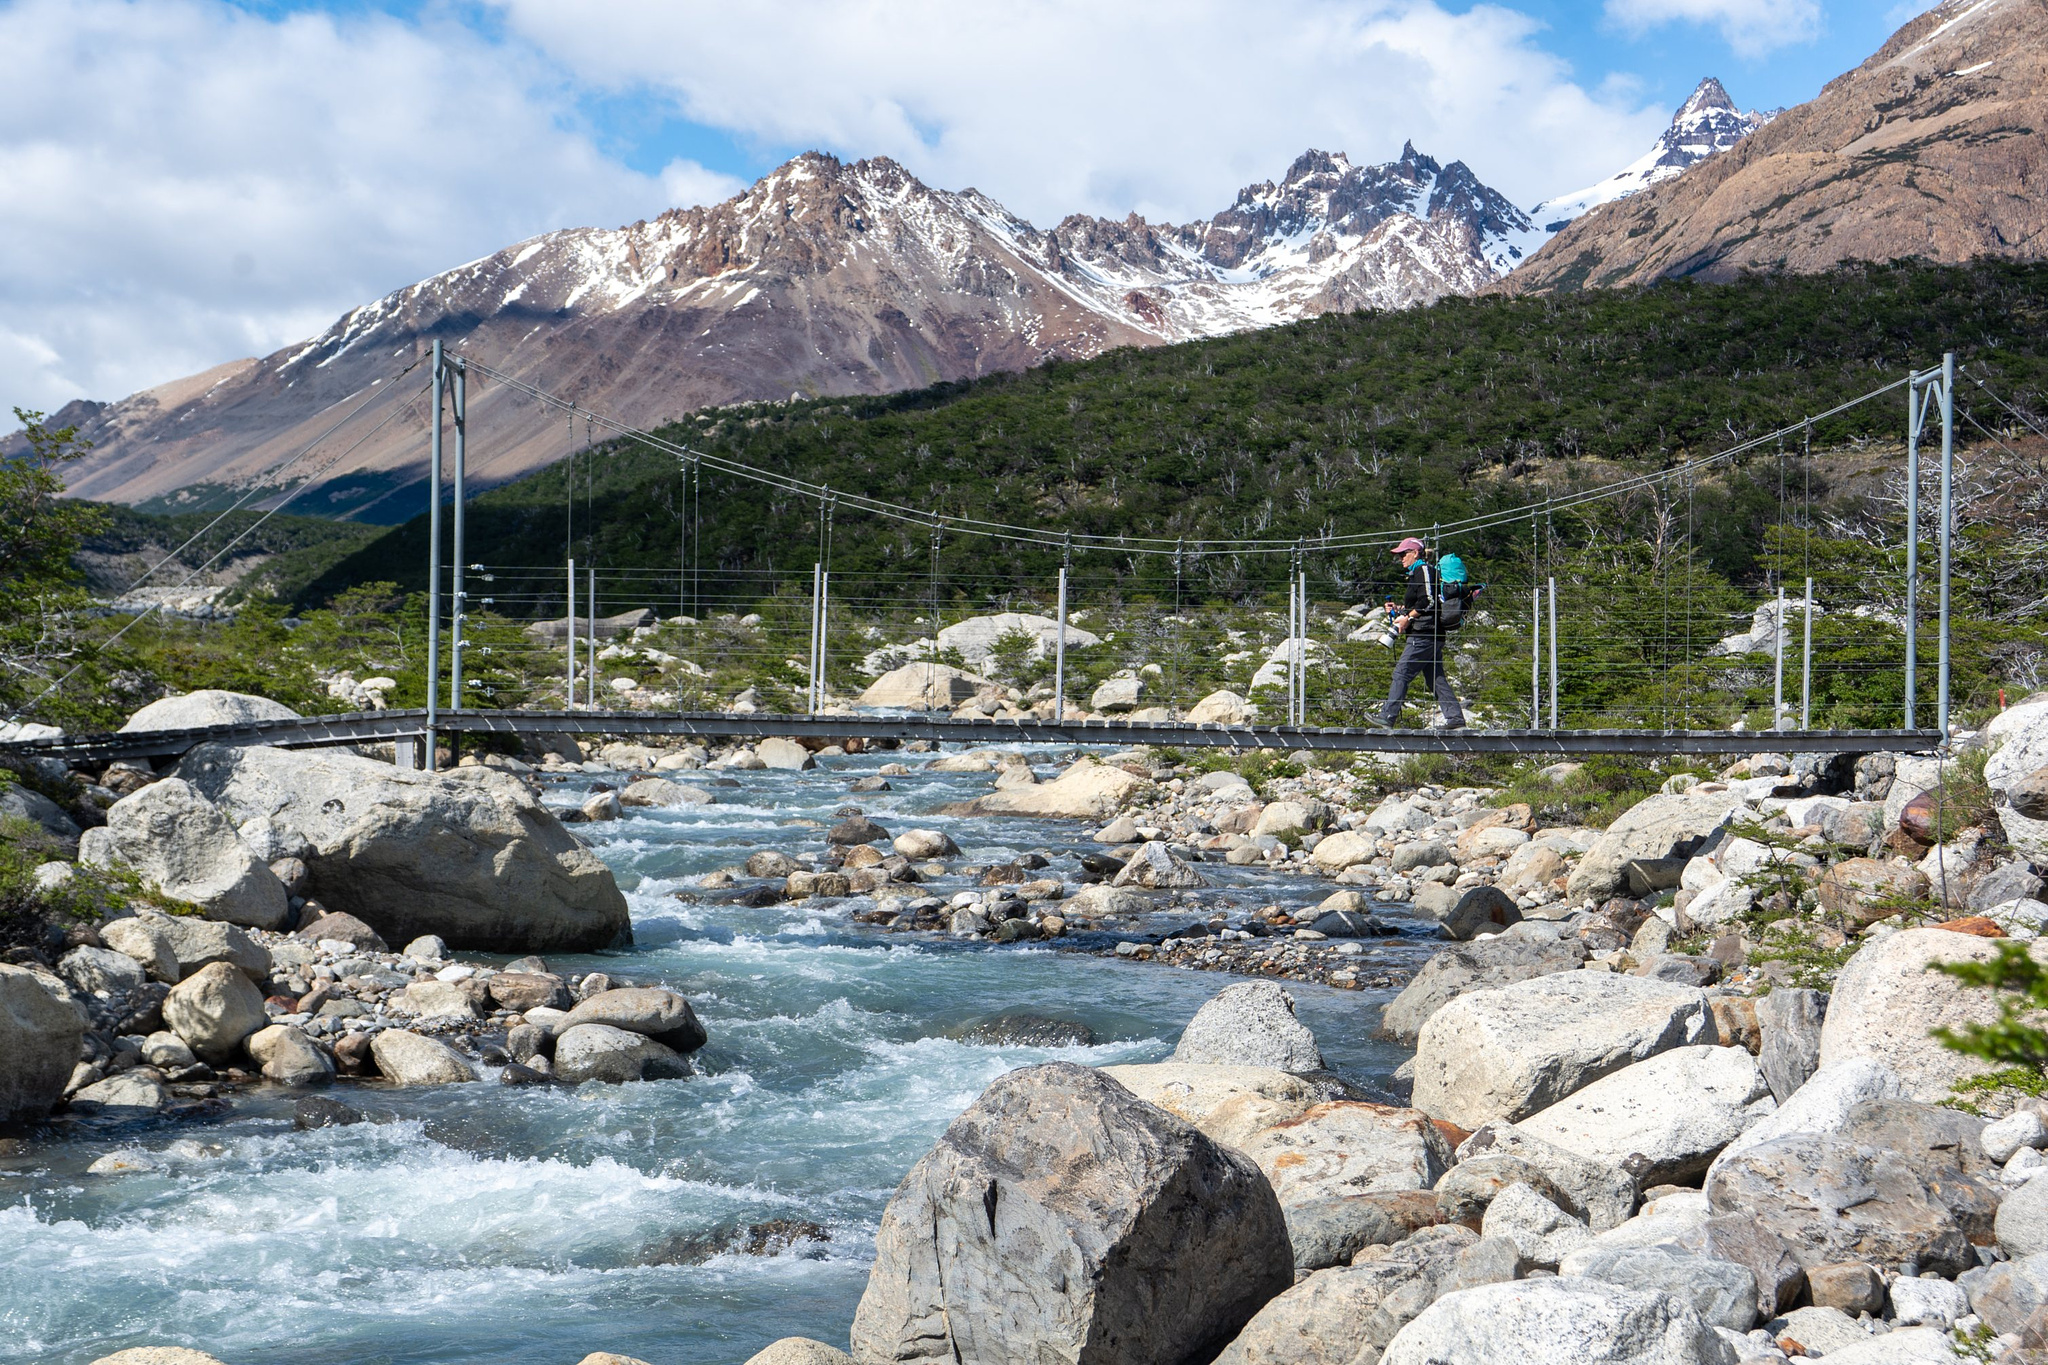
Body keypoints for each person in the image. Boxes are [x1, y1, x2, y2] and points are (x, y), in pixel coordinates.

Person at [1376, 537, 1466, 730]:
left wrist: (1407, 618)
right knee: (1435, 678)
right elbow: (1423, 603)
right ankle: (1455, 718)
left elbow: (1428, 602)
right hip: (1430, 634)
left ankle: (1387, 716)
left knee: (1401, 672)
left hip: (1424, 634)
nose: (1400, 558)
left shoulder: (1423, 570)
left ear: (1415, 553)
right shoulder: (1417, 572)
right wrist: (1400, 609)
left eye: (1403, 554)